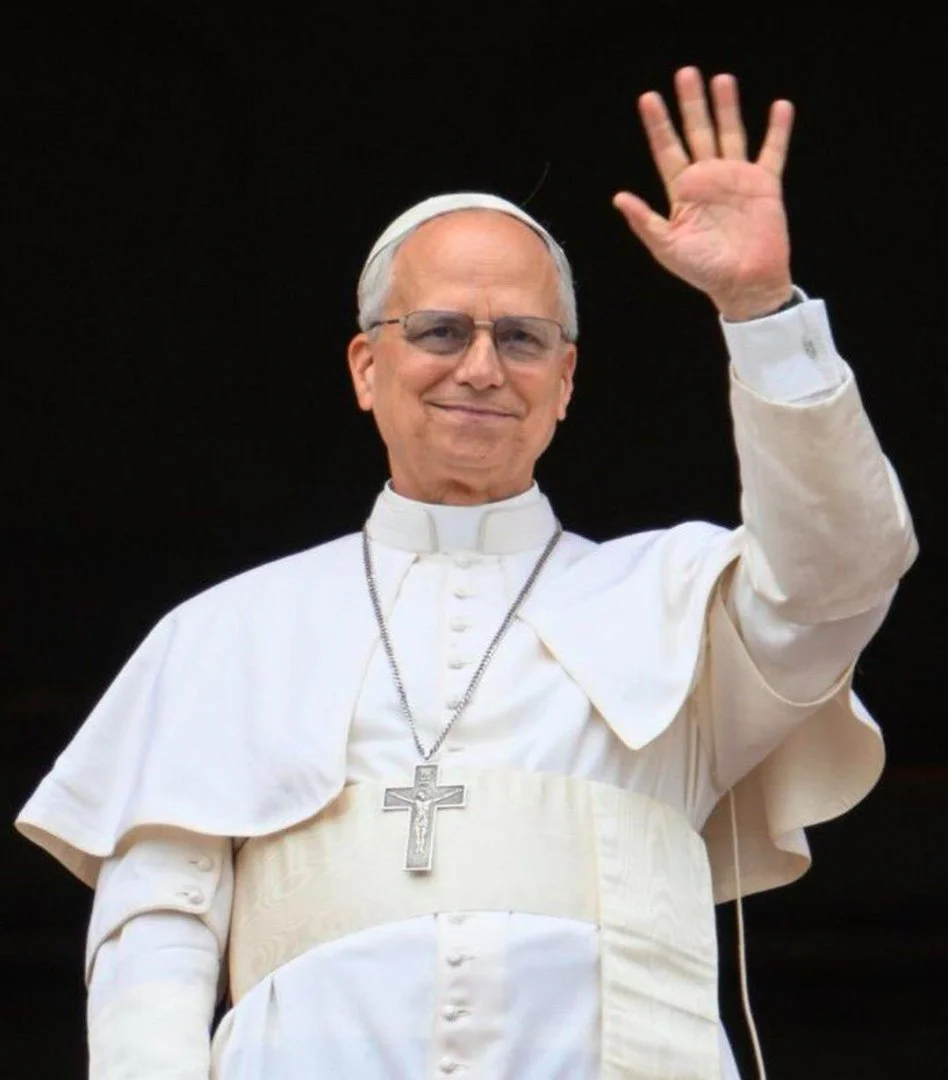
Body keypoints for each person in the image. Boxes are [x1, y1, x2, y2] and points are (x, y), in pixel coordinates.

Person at [16, 67, 917, 1079]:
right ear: (366, 367)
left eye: (522, 339)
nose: (482, 368)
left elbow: (843, 575)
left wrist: (761, 312)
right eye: (440, 331)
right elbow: (155, 935)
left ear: (565, 382)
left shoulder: (680, 596)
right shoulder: (226, 632)